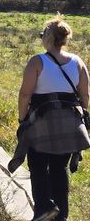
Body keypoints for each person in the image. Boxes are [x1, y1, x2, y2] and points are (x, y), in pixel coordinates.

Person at [16, 16, 90, 221]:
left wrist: (22, 119)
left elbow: (24, 95)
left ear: (48, 38)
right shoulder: (78, 62)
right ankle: (62, 216)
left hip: (41, 122)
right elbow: (85, 96)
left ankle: (44, 209)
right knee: (59, 167)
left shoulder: (37, 61)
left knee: (38, 166)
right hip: (70, 123)